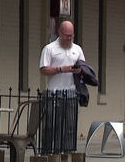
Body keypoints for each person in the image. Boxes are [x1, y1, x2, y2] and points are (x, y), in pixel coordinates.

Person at [39, 20, 85, 153]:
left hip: (71, 93)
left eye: (72, 35)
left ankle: (68, 153)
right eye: (66, 35)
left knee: (70, 127)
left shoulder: (77, 49)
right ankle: (49, 153)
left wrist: (79, 70)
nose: (69, 38)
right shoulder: (50, 49)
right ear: (59, 32)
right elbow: (43, 69)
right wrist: (60, 69)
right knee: (52, 126)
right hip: (54, 93)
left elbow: (84, 68)